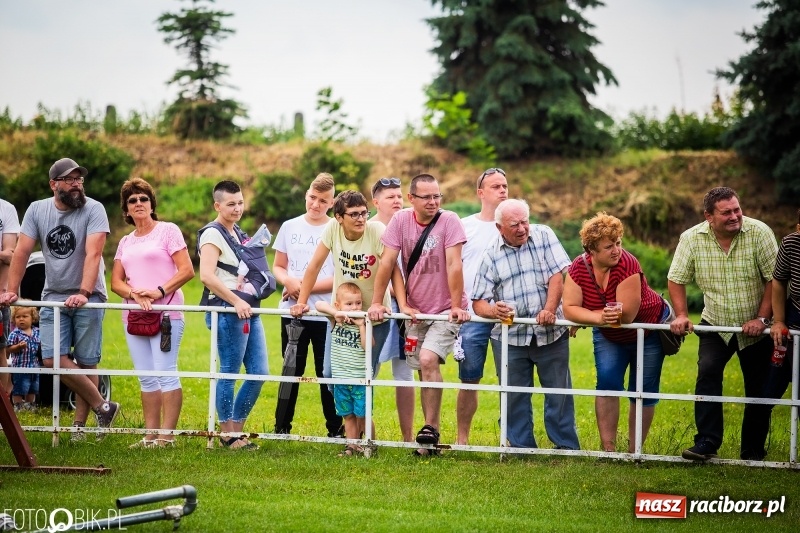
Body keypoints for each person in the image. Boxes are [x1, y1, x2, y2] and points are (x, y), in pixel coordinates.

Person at [0, 157, 120, 440]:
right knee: (52, 359)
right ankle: (104, 406)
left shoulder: (95, 209)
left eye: (79, 179)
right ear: (54, 184)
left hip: (90, 295)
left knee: (86, 361)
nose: (77, 184)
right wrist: (12, 290)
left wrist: (84, 293)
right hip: (53, 294)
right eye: (70, 179)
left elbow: (93, 254)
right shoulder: (37, 209)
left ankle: (79, 427)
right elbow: (22, 252)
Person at [669, 187, 777, 461]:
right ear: (709, 216)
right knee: (707, 372)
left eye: (737, 209)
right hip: (715, 323)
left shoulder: (760, 232)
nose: (734, 216)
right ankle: (706, 442)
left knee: (758, 388)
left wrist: (762, 319)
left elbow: (774, 279)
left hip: (758, 328)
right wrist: (681, 315)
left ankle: (752, 451)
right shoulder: (691, 238)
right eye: (726, 212)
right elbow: (676, 278)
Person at [368, 173, 471, 456]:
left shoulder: (449, 220)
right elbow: (387, 263)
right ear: (411, 198)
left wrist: (455, 306)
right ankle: (429, 440)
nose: (433, 202)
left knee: (428, 359)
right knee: (423, 369)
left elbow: (454, 264)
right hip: (415, 311)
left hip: (445, 310)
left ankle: (431, 428)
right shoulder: (401, 221)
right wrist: (378, 302)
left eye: (437, 196)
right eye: (426, 197)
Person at [472, 199, 580, 450]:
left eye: (524, 222)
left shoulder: (544, 235)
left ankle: (566, 447)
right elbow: (478, 303)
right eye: (514, 225)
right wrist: (493, 310)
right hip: (511, 338)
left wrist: (549, 310)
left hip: (551, 333)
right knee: (514, 395)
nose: (522, 229)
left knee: (559, 392)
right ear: (500, 228)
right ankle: (521, 448)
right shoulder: (490, 254)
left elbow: (557, 275)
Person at [563, 212, 666, 453]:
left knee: (643, 388)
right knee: (608, 383)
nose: (616, 250)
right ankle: (608, 450)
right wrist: (598, 317)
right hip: (609, 334)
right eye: (608, 246)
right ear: (592, 251)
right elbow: (569, 309)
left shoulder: (628, 264)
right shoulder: (578, 267)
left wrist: (586, 315)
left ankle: (634, 452)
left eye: (618, 243)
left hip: (647, 330)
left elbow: (627, 316)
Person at [111, 178, 194, 447]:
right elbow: (116, 282)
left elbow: (186, 271)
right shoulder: (125, 242)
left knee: (165, 371)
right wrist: (133, 293)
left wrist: (159, 291)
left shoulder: (168, 231)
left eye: (143, 199)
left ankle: (166, 437)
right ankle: (150, 436)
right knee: (146, 375)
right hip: (133, 315)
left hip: (167, 313)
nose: (138, 203)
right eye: (132, 200)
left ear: (151, 203)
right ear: (126, 209)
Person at [289, 190, 396, 393]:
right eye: (354, 214)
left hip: (374, 316)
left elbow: (392, 269)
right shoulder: (332, 228)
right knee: (330, 374)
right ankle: (349, 424)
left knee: (364, 376)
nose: (361, 218)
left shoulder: (376, 230)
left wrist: (379, 303)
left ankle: (361, 424)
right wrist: (302, 301)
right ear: (339, 217)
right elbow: (314, 266)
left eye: (364, 213)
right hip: (342, 315)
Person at [198, 180, 268, 450]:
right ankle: (227, 433)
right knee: (228, 371)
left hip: (247, 306)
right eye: (231, 204)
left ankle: (235, 430)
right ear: (217, 205)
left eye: (240, 202)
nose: (237, 208)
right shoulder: (212, 234)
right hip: (229, 308)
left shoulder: (238, 232)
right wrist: (237, 301)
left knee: (259, 372)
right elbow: (205, 276)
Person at [272, 173, 342, 438]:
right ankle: (281, 427)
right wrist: (288, 280)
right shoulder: (290, 226)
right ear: (306, 195)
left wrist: (302, 285)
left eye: (323, 200)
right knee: (291, 368)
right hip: (292, 312)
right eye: (312, 198)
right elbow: (278, 265)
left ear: (332, 202)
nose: (315, 204)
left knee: (327, 372)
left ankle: (335, 429)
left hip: (325, 313)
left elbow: (338, 276)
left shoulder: (336, 229)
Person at [456, 167, 508, 445]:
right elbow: (452, 268)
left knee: (510, 379)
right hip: (472, 315)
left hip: (506, 315)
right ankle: (462, 437)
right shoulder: (465, 226)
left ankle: (510, 438)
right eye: (496, 186)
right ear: (481, 193)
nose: (502, 190)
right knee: (469, 378)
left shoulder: (515, 225)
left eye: (505, 186)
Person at [371, 177, 415, 442]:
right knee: (368, 369)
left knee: (404, 371)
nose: (397, 201)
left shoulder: (410, 226)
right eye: (390, 197)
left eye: (399, 196)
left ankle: (408, 437)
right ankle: (364, 432)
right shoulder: (369, 229)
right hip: (377, 307)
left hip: (404, 307)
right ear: (376, 202)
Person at [315, 283, 373, 456]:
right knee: (347, 415)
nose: (354, 307)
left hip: (360, 379)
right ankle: (351, 446)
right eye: (349, 304)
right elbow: (318, 305)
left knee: (363, 415)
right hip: (341, 378)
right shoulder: (335, 320)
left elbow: (368, 346)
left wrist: (362, 326)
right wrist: (335, 313)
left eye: (358, 303)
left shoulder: (364, 321)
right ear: (338, 305)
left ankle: (371, 445)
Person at [767, 209, 800, 401]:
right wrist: (778, 321)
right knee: (771, 385)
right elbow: (778, 280)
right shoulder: (790, 244)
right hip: (795, 314)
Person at [0, 197, 20, 395]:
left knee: (0, 352)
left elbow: (10, 255)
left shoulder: (6, 208)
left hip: (0, 297)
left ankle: (2, 408)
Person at [7, 306, 40, 411]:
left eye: (25, 316)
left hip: (34, 367)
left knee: (32, 388)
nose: (21, 319)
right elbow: (9, 349)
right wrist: (18, 347)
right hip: (20, 367)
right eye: (18, 317)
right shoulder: (14, 334)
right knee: (19, 387)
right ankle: (18, 405)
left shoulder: (38, 332)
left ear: (33, 318)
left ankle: (30, 404)